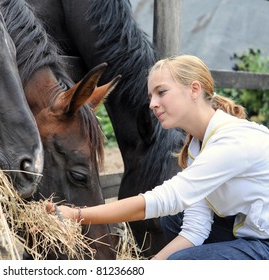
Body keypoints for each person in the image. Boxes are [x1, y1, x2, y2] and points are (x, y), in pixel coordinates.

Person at [46, 54, 269, 260]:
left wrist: (77, 214)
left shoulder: (232, 140)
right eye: (151, 95)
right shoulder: (197, 146)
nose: (152, 103)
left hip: (264, 241)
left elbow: (163, 199)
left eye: (161, 92)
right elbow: (196, 227)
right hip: (249, 232)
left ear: (194, 89)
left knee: (179, 259)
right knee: (174, 221)